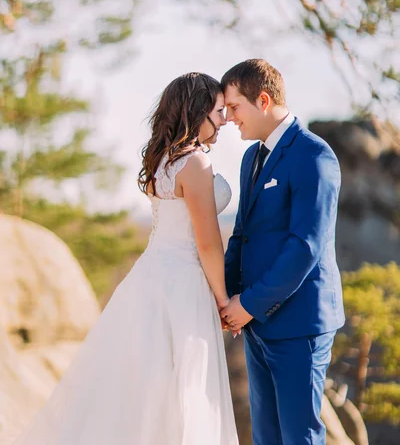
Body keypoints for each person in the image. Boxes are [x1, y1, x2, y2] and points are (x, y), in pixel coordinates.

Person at [13, 72, 239, 445]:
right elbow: (209, 244)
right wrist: (222, 299)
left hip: (150, 278)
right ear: (198, 112)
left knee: (144, 390)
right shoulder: (195, 163)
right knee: (184, 392)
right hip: (182, 285)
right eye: (218, 111)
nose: (225, 120)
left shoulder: (163, 160)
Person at [220, 59, 345, 445]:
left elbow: (305, 247)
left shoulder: (314, 156)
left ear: (262, 99)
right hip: (257, 322)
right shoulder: (250, 158)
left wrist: (249, 303)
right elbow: (241, 235)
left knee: (299, 437)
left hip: (299, 326)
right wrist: (226, 300)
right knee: (267, 438)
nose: (228, 118)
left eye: (234, 107)